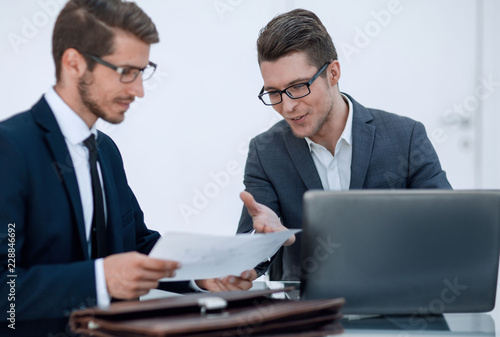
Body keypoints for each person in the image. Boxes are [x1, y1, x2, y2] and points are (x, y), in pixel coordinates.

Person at [0, 0, 288, 327]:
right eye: (126, 72)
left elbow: (138, 245)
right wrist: (99, 280)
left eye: (142, 72)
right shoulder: (9, 148)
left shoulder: (105, 150)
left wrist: (204, 275)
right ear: (74, 63)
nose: (139, 90)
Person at [237, 9, 452, 281]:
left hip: (396, 307)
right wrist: (263, 240)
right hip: (308, 314)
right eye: (274, 93)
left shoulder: (405, 137)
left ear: (333, 73)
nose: (288, 106)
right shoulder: (265, 151)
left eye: (298, 86)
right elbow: (246, 257)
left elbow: (447, 229)